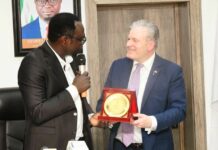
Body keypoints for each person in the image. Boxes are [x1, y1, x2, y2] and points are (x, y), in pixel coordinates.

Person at [96, 19, 187, 150]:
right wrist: (109, 117)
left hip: (154, 146)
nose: (128, 44)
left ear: (150, 45)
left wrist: (152, 121)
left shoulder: (171, 71)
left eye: (134, 40)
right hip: (119, 145)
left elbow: (179, 110)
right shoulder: (117, 66)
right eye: (128, 39)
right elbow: (103, 104)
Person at [18, 13, 100, 150]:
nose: (82, 44)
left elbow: (77, 100)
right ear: (65, 40)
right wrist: (74, 89)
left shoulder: (70, 60)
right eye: (81, 39)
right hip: (51, 145)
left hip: (79, 143)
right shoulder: (33, 62)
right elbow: (38, 112)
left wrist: (90, 116)